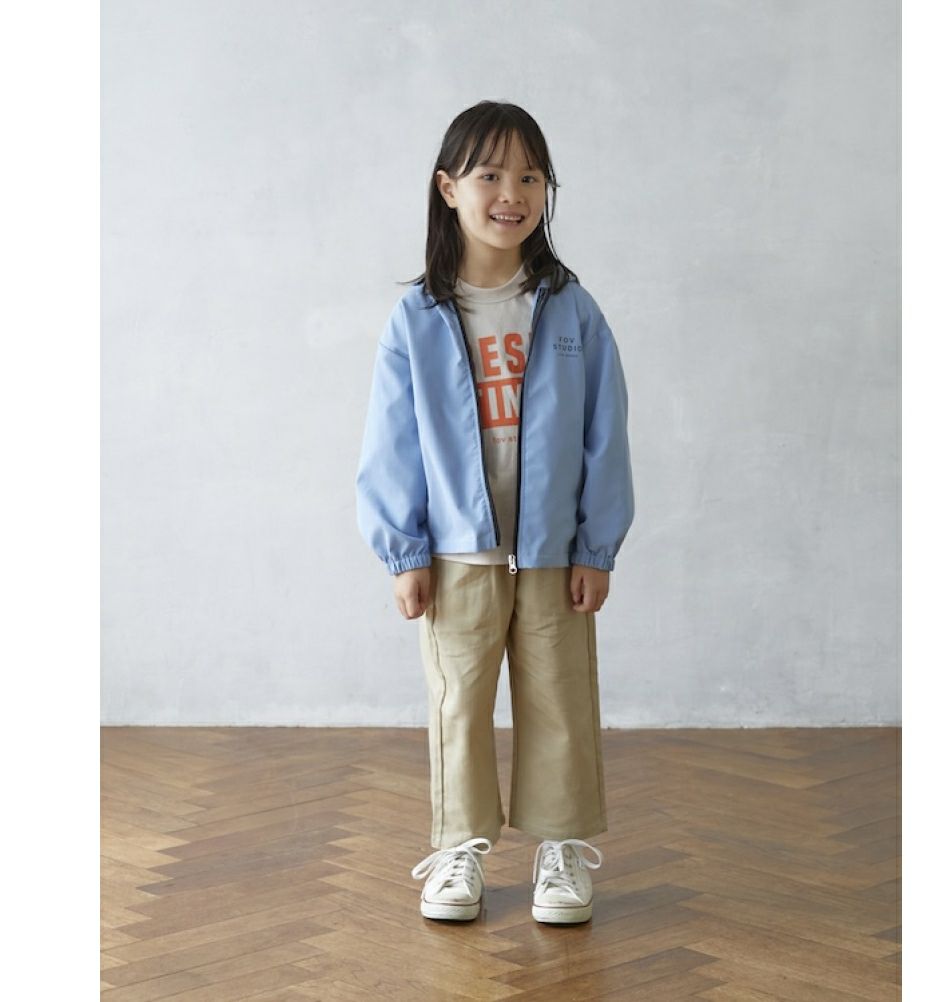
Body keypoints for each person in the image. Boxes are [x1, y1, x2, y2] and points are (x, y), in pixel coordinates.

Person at [355, 100, 634, 924]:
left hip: (553, 556)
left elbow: (606, 434)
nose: (512, 193)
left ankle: (559, 848)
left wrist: (596, 547)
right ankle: (460, 849)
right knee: (459, 707)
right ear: (448, 189)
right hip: (456, 558)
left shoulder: (572, 309)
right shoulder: (417, 319)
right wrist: (404, 552)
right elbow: (393, 442)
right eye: (490, 175)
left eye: (530, 177)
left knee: (560, 704)